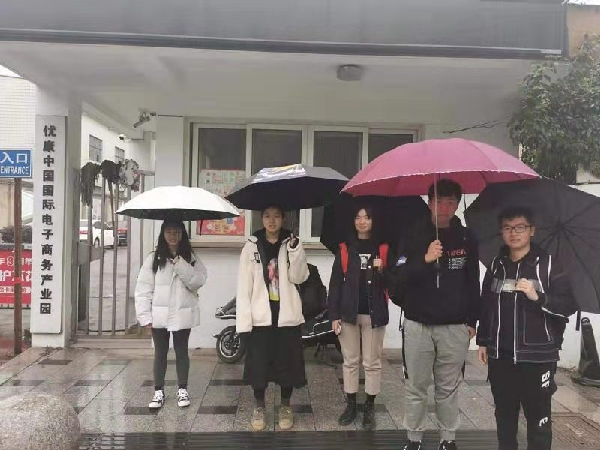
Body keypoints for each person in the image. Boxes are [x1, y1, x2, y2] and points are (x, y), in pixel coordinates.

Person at [389, 179, 480, 450]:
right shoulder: (412, 234)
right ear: (429, 203)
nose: (445, 207)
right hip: (418, 323)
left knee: (448, 388)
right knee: (416, 386)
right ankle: (414, 438)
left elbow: (473, 281)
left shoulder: (467, 237)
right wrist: (425, 259)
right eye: (439, 201)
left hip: (455, 326)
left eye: (451, 202)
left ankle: (447, 439)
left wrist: (472, 321)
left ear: (458, 205)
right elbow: (398, 277)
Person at [477, 206, 576, 450]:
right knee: (504, 417)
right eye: (508, 228)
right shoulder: (497, 265)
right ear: (501, 232)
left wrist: (538, 297)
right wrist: (483, 341)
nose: (514, 233)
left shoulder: (549, 265)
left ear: (532, 230)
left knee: (538, 420)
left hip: (538, 358)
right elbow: (486, 304)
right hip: (501, 356)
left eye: (520, 227)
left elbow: (568, 306)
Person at [236, 206, 310, 431]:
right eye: (267, 216)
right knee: (259, 365)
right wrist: (244, 322)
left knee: (287, 363)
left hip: (286, 316)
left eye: (277, 216)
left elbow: (300, 277)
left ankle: (285, 406)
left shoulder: (292, 243)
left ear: (283, 218)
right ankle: (259, 406)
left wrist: (295, 251)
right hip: (261, 317)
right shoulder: (251, 246)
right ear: (261, 218)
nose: (272, 220)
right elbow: (244, 286)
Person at [328, 204, 391, 430]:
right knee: (351, 361)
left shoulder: (383, 249)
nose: (362, 221)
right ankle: (351, 405)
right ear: (353, 221)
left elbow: (394, 283)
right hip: (349, 314)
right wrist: (334, 314)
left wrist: (383, 270)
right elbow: (335, 284)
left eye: (367, 217)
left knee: (372, 362)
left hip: (375, 314)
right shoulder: (345, 249)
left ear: (373, 220)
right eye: (358, 217)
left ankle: (369, 406)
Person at [135, 220, 207, 409]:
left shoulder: (190, 258)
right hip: (160, 314)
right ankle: (158, 391)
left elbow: (198, 281)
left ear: (182, 234)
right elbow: (143, 289)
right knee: (160, 353)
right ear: (163, 234)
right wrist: (145, 316)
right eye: (169, 232)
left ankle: (182, 389)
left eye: (176, 232)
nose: (173, 236)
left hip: (182, 312)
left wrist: (180, 264)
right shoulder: (153, 259)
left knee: (182, 351)